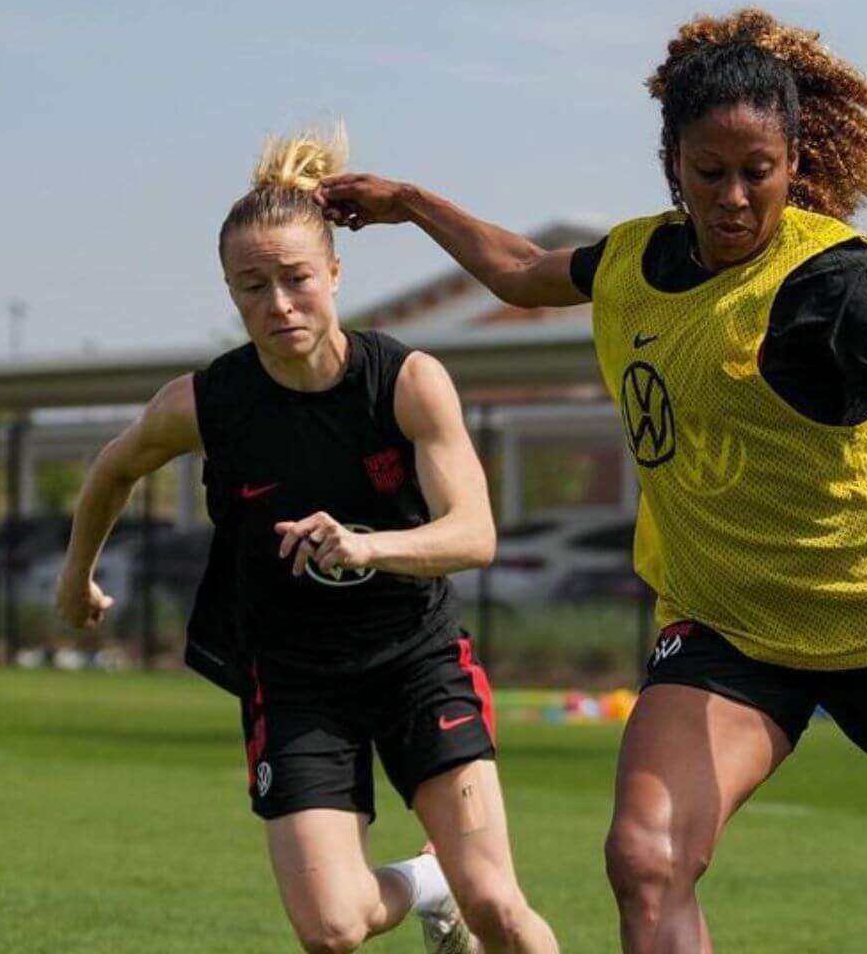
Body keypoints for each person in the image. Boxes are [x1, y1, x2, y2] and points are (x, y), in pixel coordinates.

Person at [318, 9, 867, 952]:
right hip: (730, 630)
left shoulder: (837, 284)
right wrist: (412, 203)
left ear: (795, 163)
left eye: (761, 172)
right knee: (646, 859)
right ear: (674, 163)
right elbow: (518, 270)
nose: (737, 197)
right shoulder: (635, 259)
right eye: (711, 173)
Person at [55, 130, 558, 954]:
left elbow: (475, 533)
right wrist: (79, 576)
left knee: (499, 906)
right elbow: (114, 470)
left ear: (334, 274)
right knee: (332, 928)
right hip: (292, 677)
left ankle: (456, 886)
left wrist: (368, 549)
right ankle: (429, 882)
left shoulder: (406, 381)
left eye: (295, 280)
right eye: (253, 287)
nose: (279, 304)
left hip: (416, 659)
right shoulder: (207, 402)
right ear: (230, 292)